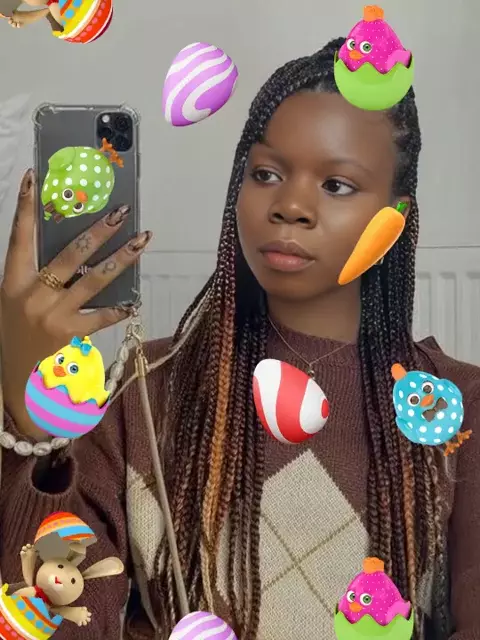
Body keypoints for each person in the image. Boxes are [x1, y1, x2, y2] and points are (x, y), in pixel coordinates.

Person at [0, 36, 479, 640]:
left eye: (336, 185)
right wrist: (29, 417)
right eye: (266, 173)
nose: (290, 205)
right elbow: (56, 616)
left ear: (396, 219)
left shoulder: (457, 409)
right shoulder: (139, 396)